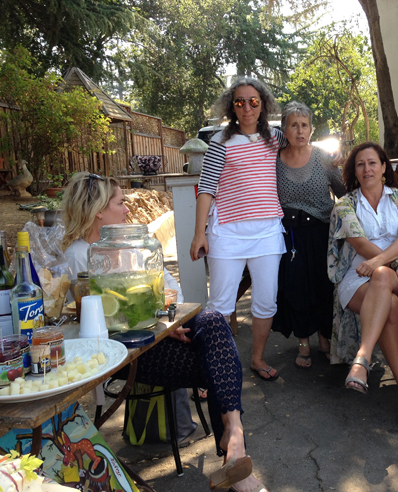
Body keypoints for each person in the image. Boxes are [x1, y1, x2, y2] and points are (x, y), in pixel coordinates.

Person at [61, 172, 267, 492]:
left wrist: (169, 322)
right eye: (120, 202)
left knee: (214, 321)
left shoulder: (134, 244)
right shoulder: (79, 256)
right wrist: (160, 324)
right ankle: (234, 450)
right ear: (98, 211)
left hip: (161, 332)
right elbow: (96, 320)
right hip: (129, 350)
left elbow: (171, 290)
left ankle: (234, 440)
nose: (127, 209)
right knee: (214, 363)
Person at [327, 142, 398, 437]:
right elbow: (360, 244)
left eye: (372, 163)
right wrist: (390, 266)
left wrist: (385, 264)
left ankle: (362, 359)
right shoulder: (345, 204)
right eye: (360, 164)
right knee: (388, 298)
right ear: (354, 171)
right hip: (357, 279)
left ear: (384, 167)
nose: (367, 169)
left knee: (383, 276)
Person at [190, 77, 286, 382]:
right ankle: (212, 370)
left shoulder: (275, 138)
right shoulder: (220, 141)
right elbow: (207, 188)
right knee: (220, 306)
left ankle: (257, 359)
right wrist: (199, 233)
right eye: (240, 102)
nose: (247, 107)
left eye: (253, 101)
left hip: (268, 233)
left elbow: (300, 151)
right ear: (232, 107)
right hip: (227, 234)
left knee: (266, 302)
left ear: (263, 105)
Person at [272, 101, 346, 368]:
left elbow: (344, 191)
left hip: (321, 233)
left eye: (304, 125)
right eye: (294, 125)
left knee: (323, 287)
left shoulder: (324, 158)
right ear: (284, 130)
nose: (300, 130)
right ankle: (303, 341)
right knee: (296, 288)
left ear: (311, 129)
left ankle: (325, 338)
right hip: (290, 236)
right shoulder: (274, 160)